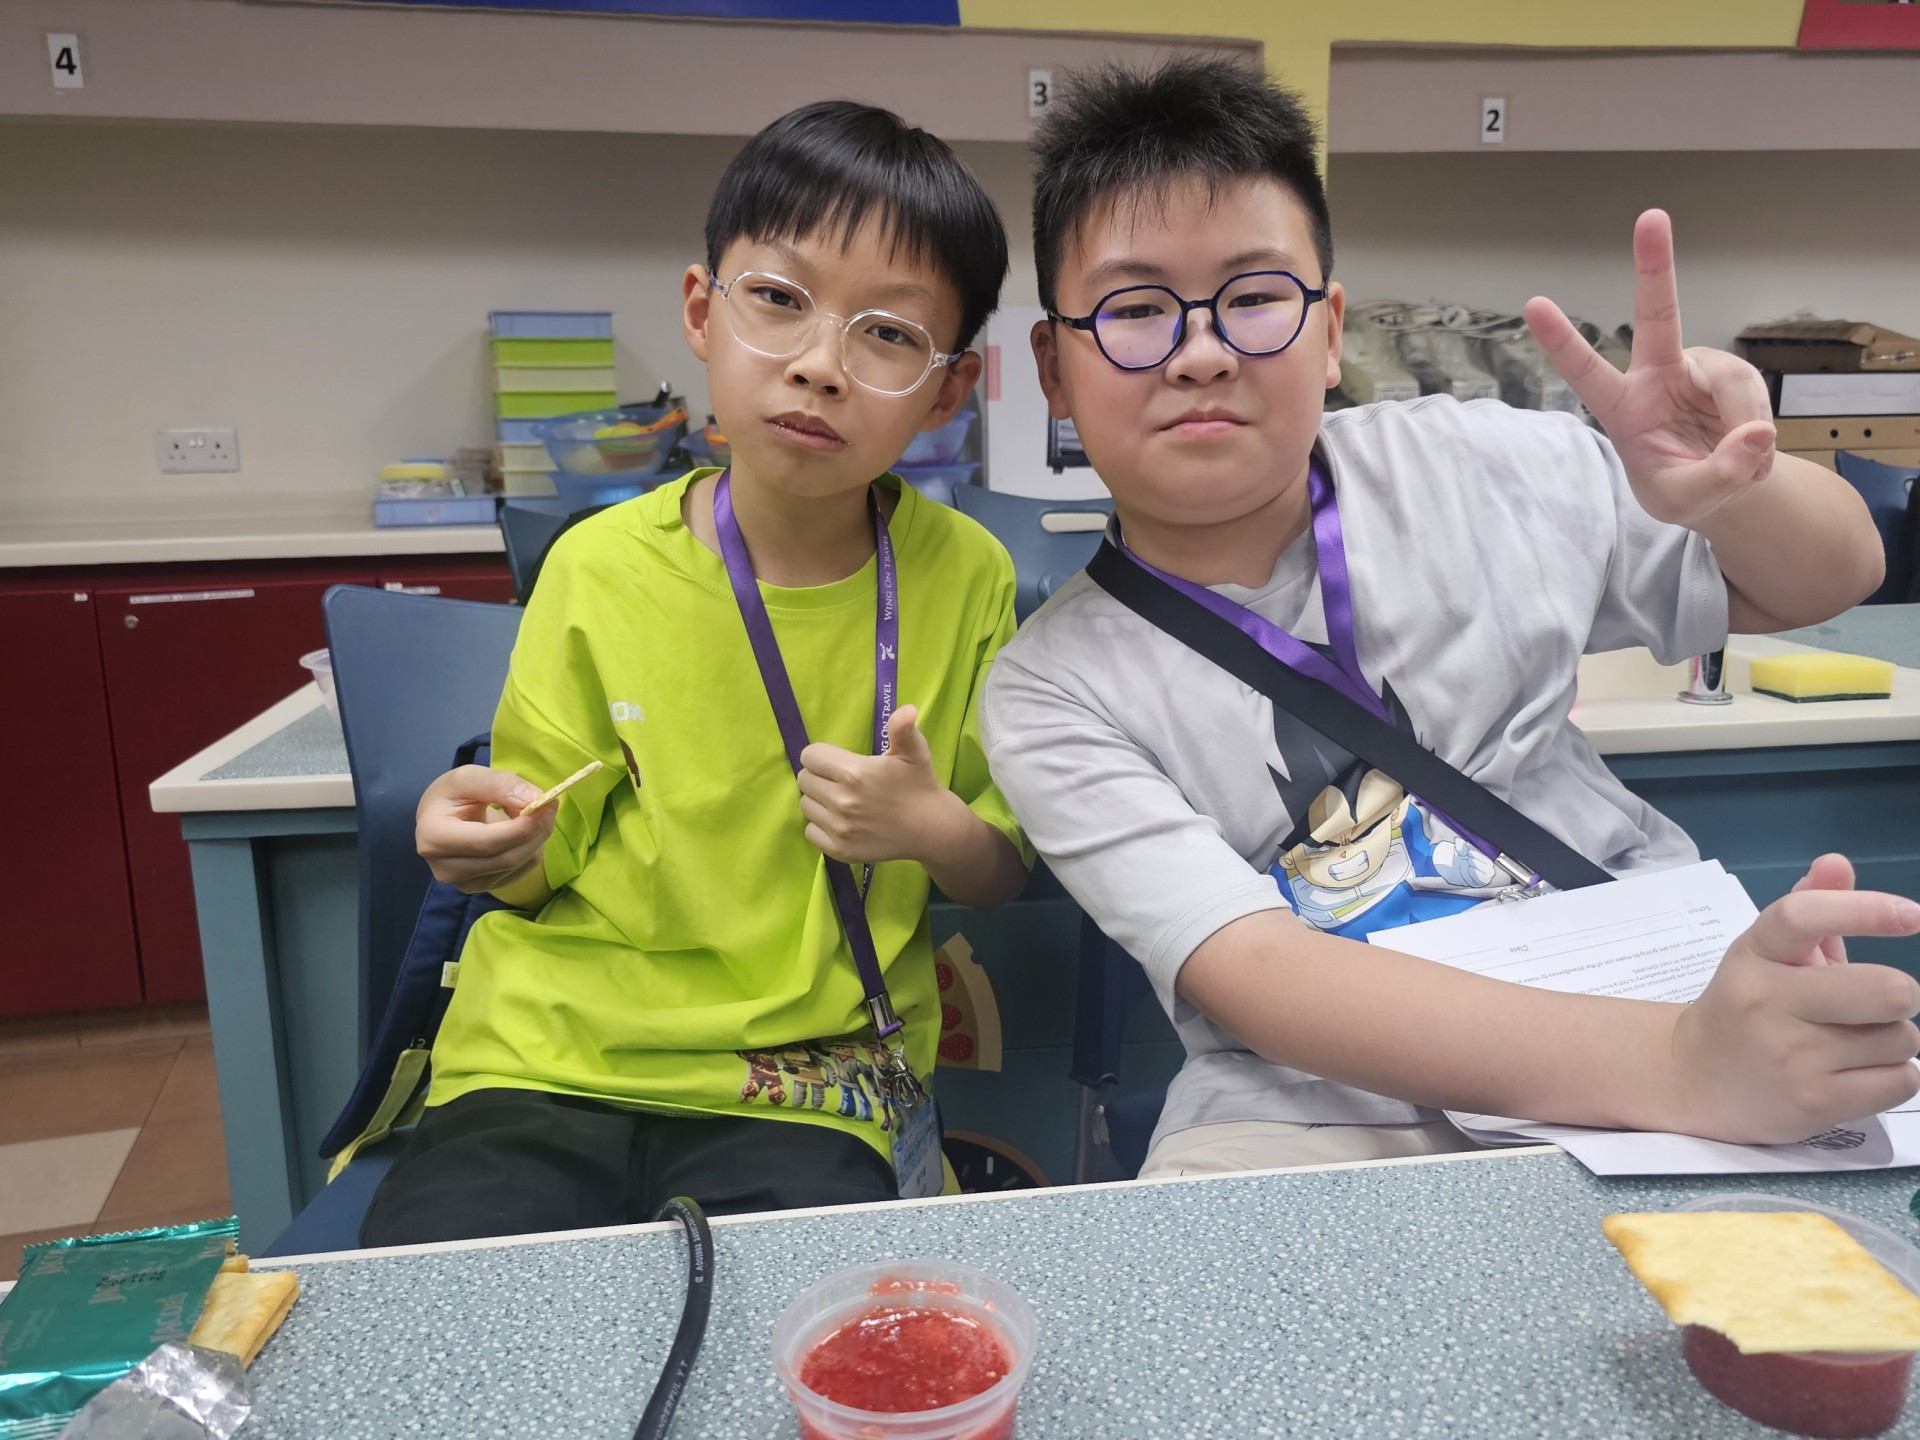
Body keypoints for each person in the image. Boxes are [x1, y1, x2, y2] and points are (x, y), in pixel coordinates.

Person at [982, 57, 1919, 1179]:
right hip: (1316, 1101)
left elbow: (1829, 577)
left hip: (1643, 980)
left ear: (1330, 330)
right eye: (1135, 310)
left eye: (1254, 297)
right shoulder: (1052, 690)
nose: (1202, 353)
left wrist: (1735, 493)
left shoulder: (1479, 462)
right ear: (1054, 366)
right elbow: (1260, 974)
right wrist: (1679, 1066)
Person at [361, 100, 1030, 1245]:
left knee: (810, 1327)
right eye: (779, 299)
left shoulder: (966, 576)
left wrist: (931, 827)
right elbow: (540, 854)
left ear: (948, 389)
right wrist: (490, 842)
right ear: (701, 313)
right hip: (544, 1056)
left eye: (888, 333)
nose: (819, 366)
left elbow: (999, 871)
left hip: (811, 1078)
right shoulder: (598, 566)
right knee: (454, 1303)